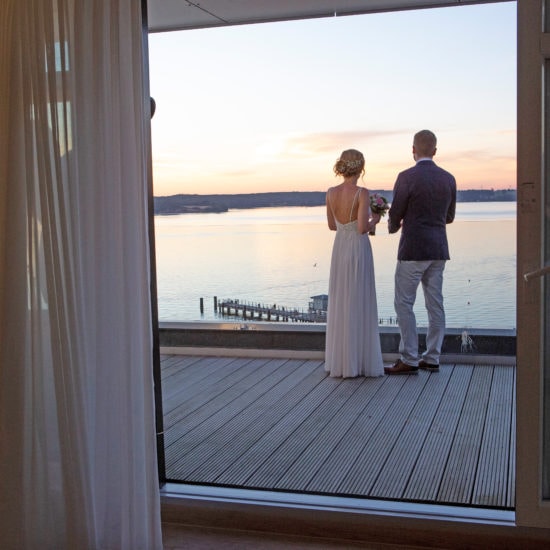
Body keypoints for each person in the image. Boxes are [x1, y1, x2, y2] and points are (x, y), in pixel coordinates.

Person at [384, 130, 457, 375]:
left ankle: (410, 358)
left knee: (404, 303)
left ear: (413, 150)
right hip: (438, 249)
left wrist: (394, 227)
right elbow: (449, 217)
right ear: (435, 151)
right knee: (435, 304)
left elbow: (396, 213)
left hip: (413, 249)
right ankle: (433, 357)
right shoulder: (448, 178)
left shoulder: (406, 177)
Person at [324, 149, 384, 378]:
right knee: (358, 298)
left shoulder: (330, 193)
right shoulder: (362, 193)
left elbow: (332, 226)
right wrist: (375, 219)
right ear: (361, 168)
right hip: (358, 249)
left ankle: (340, 361)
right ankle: (358, 361)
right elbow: (361, 228)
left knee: (342, 298)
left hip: (339, 249)